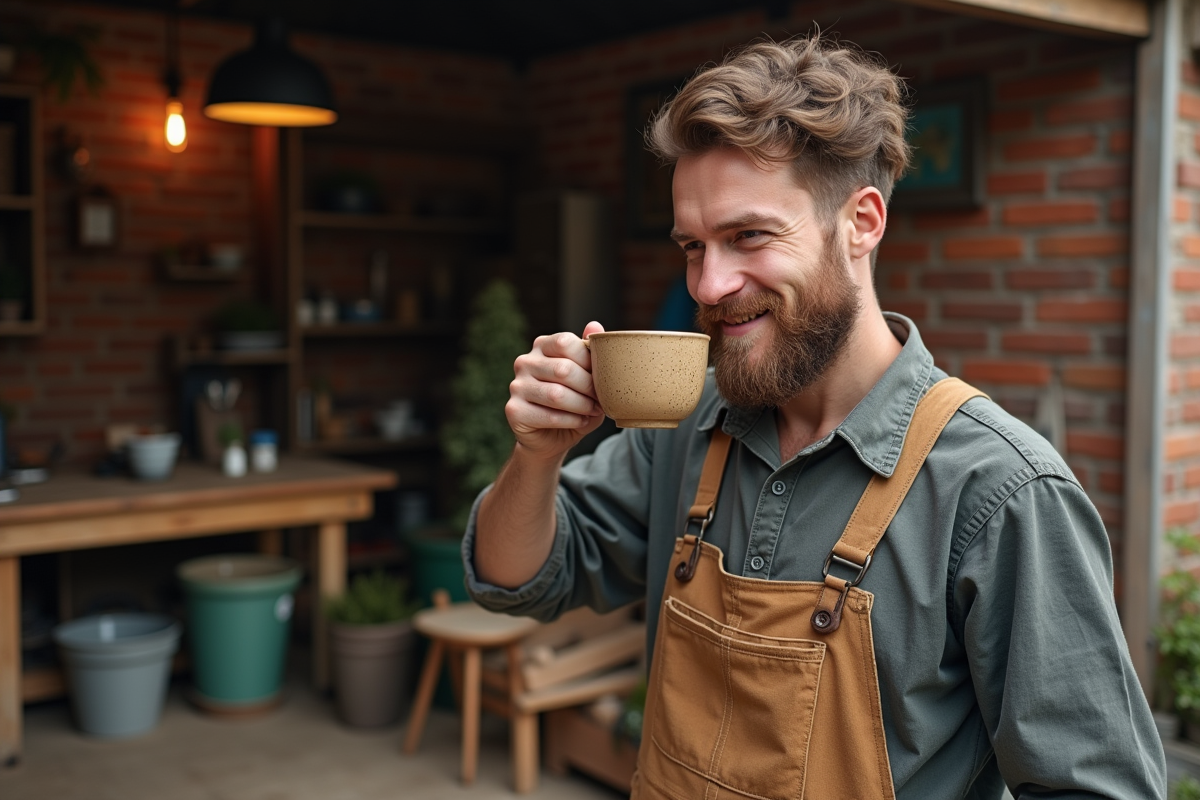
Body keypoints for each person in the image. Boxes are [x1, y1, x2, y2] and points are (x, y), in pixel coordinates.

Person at [464, 33, 1166, 800]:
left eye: (748, 237)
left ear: (861, 223)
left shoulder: (1002, 492)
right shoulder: (693, 428)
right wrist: (537, 454)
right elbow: (519, 580)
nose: (709, 283)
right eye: (692, 246)